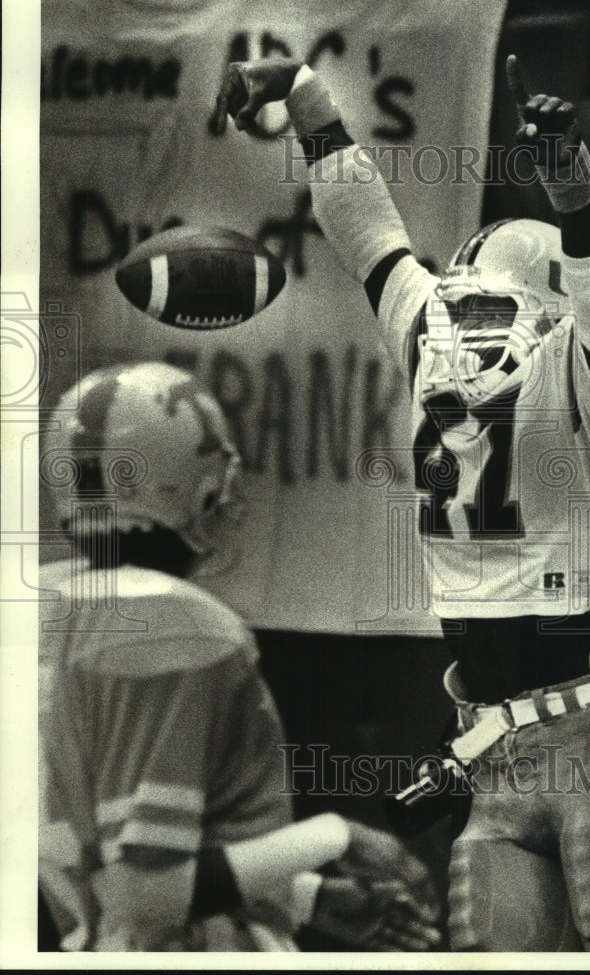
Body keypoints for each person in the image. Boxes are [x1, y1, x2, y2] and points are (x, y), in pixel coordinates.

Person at [211, 53, 590, 951]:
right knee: (485, 952)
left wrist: (575, 194)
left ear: (554, 320)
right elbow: (368, 232)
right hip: (488, 743)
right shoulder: (433, 333)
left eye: (484, 316)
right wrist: (310, 99)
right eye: (453, 312)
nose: (454, 339)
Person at [38, 361, 439, 953]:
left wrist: (302, 895)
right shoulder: (178, 626)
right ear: (180, 481)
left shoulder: (39, 607)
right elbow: (142, 893)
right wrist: (337, 836)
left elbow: (106, 847)